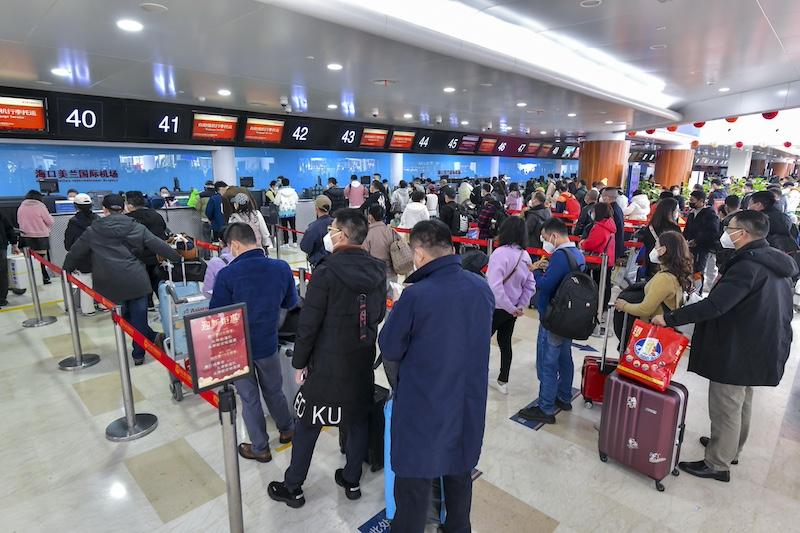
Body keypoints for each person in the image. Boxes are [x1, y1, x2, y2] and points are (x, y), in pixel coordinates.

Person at [652, 211, 797, 482]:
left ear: (741, 234)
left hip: (739, 345)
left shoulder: (747, 266)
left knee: (726, 404)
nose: (725, 232)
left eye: (728, 227)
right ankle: (731, 449)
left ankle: (718, 464)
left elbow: (716, 305)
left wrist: (670, 319)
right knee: (741, 401)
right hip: (760, 342)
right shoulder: (773, 261)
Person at [378, 220, 494, 532]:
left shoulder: (416, 296)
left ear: (418, 253)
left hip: (424, 405)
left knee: (414, 485)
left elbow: (389, 346)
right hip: (467, 402)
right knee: (459, 474)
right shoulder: (481, 288)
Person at [268, 209, 386, 507]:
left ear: (342, 235)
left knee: (308, 423)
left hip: (326, 363)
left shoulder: (326, 271)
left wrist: (299, 363)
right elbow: (378, 314)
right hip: (360, 360)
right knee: (357, 419)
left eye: (331, 228)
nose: (327, 233)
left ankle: (293, 486)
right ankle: (352, 481)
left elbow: (308, 325)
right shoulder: (376, 269)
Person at [210, 223, 298, 462]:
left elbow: (216, 315)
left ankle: (260, 448)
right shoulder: (281, 267)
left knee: (249, 398)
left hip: (238, 347)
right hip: (268, 342)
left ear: (235, 245)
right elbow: (290, 303)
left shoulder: (226, 275)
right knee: (274, 390)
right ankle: (287, 429)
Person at [63, 194, 179, 365]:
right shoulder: (136, 227)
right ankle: (140, 351)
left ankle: (146, 343)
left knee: (123, 318)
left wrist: (65, 270)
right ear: (124, 207)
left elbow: (75, 252)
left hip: (109, 284)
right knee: (139, 317)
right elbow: (158, 244)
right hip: (136, 280)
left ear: (104, 209)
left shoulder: (93, 230)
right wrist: (177, 257)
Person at [519, 218, 586, 424]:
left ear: (554, 236)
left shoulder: (560, 256)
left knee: (548, 361)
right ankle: (564, 397)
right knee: (565, 357)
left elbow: (546, 285)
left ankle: (545, 407)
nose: (545, 242)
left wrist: (537, 270)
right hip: (568, 317)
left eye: (546, 238)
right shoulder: (577, 253)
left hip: (553, 317)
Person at [487, 218, 536, 394]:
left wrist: (509, 306)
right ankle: (503, 381)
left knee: (482, 341)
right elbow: (530, 285)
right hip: (512, 310)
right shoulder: (525, 255)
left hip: (497, 308)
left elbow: (494, 286)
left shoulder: (500, 253)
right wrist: (519, 307)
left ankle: (477, 375)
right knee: (505, 342)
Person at [615, 231, 692, 329]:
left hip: (654, 330)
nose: (654, 249)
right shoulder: (676, 273)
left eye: (656, 246)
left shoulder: (664, 278)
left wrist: (624, 305)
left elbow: (645, 309)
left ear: (663, 250)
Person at [125, 191, 169, 301]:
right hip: (157, 253)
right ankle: (164, 305)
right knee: (158, 280)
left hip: (139, 256)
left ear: (130, 205)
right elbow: (163, 229)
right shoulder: (155, 214)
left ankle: (149, 304)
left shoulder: (128, 219)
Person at [64, 194, 99, 316]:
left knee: (86, 284)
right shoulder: (98, 219)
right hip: (99, 256)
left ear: (75, 206)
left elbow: (68, 244)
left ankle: (88, 309)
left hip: (82, 258)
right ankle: (104, 305)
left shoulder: (73, 222)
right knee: (101, 282)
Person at [683, 190, 720, 294]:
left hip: (701, 247)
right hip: (689, 247)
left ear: (701, 201)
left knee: (698, 269)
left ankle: (697, 292)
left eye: (693, 200)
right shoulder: (691, 214)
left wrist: (697, 240)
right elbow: (687, 230)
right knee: (689, 268)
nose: (691, 202)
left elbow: (713, 232)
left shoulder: (709, 214)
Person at [17, 189, 54, 284]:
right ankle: (43, 277)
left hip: (24, 237)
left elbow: (18, 221)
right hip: (40, 237)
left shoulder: (22, 206)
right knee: (40, 260)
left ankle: (31, 279)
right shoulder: (40, 206)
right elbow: (50, 221)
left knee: (29, 260)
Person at [638, 198, 681, 279]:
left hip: (651, 262)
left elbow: (646, 243)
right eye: (676, 210)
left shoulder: (650, 227)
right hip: (668, 265)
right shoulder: (674, 229)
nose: (677, 213)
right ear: (670, 211)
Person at [363, 204, 397, 284]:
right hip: (392, 273)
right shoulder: (391, 231)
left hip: (375, 274)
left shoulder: (367, 234)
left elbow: (363, 256)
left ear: (370, 217)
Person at [299, 196, 333, 268]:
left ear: (316, 208)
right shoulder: (337, 223)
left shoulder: (313, 228)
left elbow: (305, 247)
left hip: (320, 264)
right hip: (335, 262)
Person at [202, 228, 234, 298]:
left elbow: (207, 292)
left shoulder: (215, 262)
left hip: (226, 306)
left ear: (221, 242)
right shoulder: (247, 258)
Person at [0, 211, 22, 307]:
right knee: (2, 273)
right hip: (1, 247)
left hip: (1, 246)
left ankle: (1, 298)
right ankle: (1, 299)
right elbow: (9, 228)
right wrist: (14, 244)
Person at [600, 187, 626, 263]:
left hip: (610, 247)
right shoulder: (618, 208)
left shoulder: (610, 211)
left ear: (606, 198)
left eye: (602, 196)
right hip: (616, 244)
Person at [276, 177, 300, 247]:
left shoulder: (280, 192)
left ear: (282, 183)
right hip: (292, 212)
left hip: (283, 212)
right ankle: (295, 242)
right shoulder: (293, 191)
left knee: (285, 228)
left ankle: (286, 243)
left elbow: (276, 202)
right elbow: (296, 200)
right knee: (293, 227)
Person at [195, 180, 217, 250]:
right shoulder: (217, 196)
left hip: (205, 220)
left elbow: (197, 207)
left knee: (206, 238)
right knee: (216, 239)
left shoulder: (201, 195)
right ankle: (217, 254)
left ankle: (207, 256)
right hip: (215, 220)